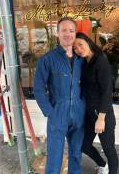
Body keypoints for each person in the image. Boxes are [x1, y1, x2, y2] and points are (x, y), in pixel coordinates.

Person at [33, 17, 86, 174]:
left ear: (75, 34)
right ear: (57, 33)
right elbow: (38, 89)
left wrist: (85, 108)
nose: (68, 34)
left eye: (71, 30)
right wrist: (50, 112)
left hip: (78, 113)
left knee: (76, 154)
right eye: (64, 30)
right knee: (54, 156)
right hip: (58, 112)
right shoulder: (47, 60)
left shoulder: (82, 59)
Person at [74, 32, 118, 174]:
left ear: (88, 41)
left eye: (80, 44)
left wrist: (101, 118)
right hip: (89, 114)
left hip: (102, 115)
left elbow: (107, 91)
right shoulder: (86, 61)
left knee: (109, 149)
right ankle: (102, 165)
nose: (79, 49)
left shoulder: (100, 60)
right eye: (75, 48)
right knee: (84, 145)